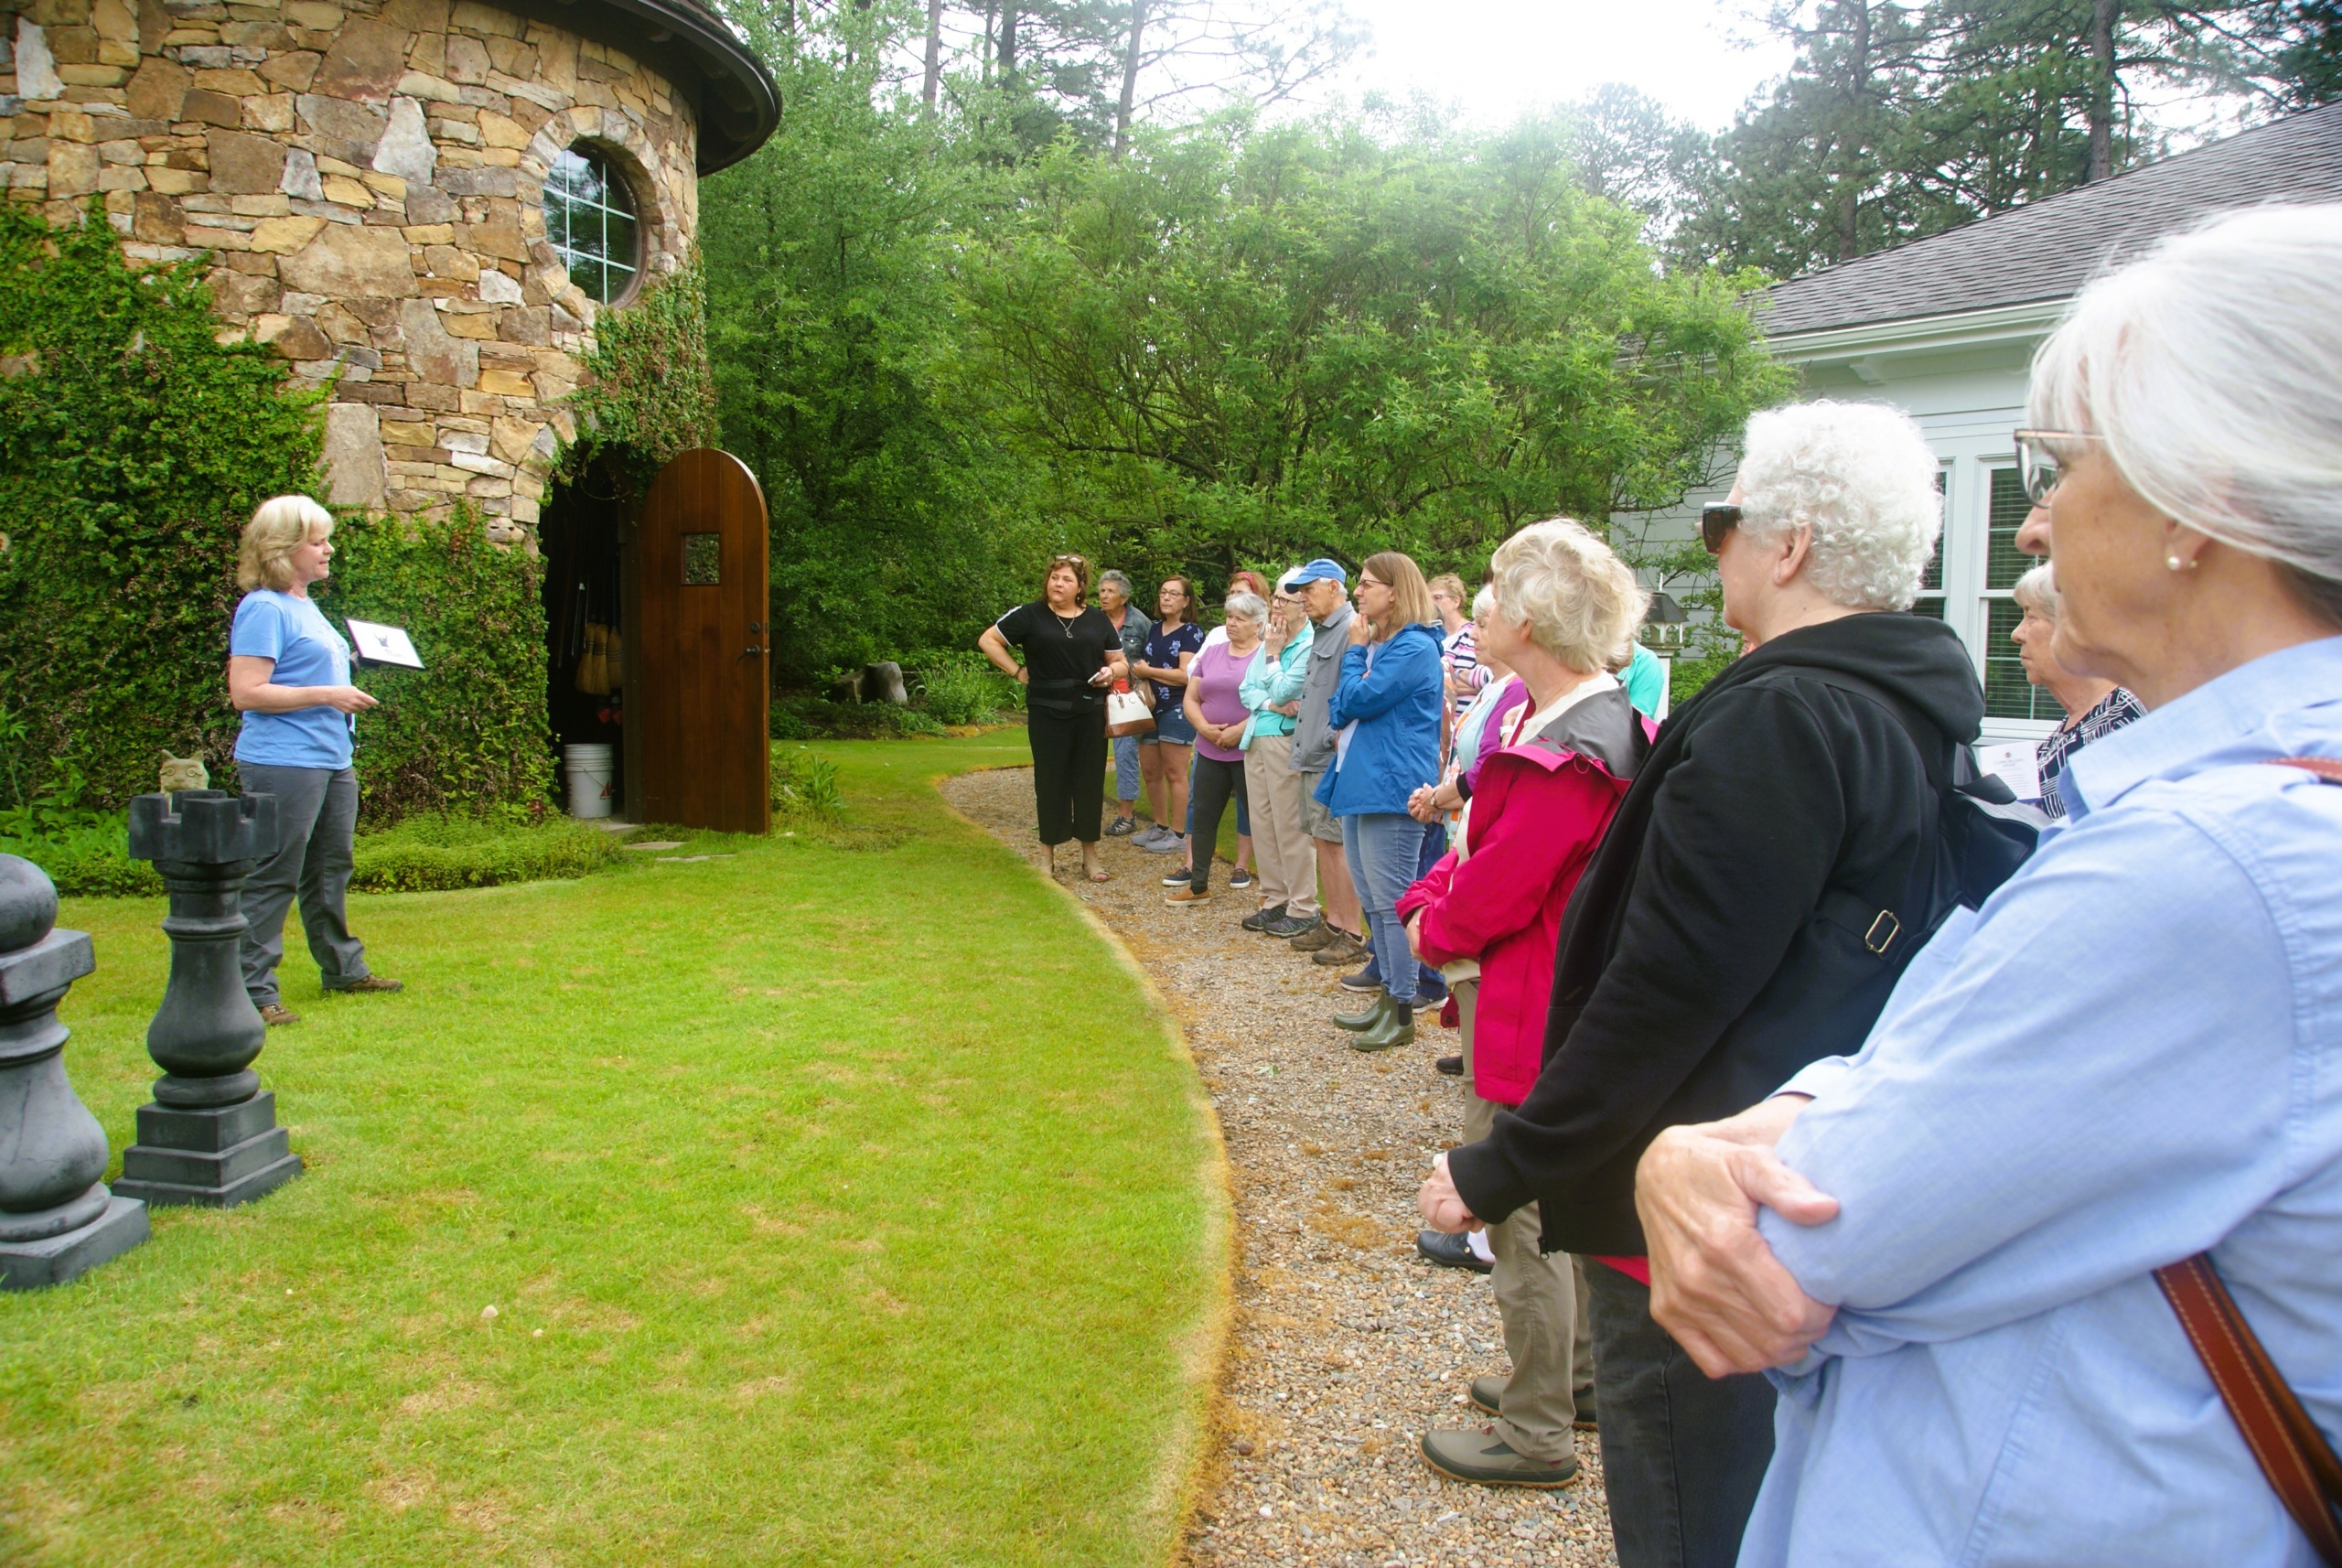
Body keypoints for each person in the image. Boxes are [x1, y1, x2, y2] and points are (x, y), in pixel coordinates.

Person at [1628, 204, 2342, 1568]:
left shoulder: (2216, 869)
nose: (2036, 518)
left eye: (2060, 465)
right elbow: (1964, 1102)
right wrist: (1828, 1108)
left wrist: (1678, 1149)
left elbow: (1803, 1251)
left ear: (2212, 500)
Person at [1417, 399, 1982, 1568]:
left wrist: (1499, 1162)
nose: (1714, 542)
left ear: (1790, 546)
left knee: (1690, 1515)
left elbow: (1669, 989)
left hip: (1692, 1217)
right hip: (1794, 1188)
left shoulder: (1783, 714)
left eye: (1725, 519)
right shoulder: (1901, 707)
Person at [1397, 520, 1652, 1488]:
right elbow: (1486, 865)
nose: (1483, 607)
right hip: (1553, 1006)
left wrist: (1429, 921)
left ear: (1535, 618)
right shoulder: (1585, 720)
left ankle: (1538, 1429)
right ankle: (1573, 1381)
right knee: (1561, 1207)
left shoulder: (1568, 747)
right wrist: (1442, 897)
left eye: (1499, 591)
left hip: (1532, 1017)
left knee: (1520, 1219)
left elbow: (1495, 889)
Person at [226, 494, 402, 1026]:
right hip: (284, 762)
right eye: (318, 541)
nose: (329, 550)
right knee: (274, 873)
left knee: (330, 869)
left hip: (331, 758)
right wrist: (329, 694)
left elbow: (303, 670)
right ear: (283, 549)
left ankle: (344, 969)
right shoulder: (262, 606)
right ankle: (253, 990)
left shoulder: (304, 604)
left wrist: (353, 662)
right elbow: (247, 692)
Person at [1316, 552, 1445, 1050]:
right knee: (1374, 899)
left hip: (1390, 786)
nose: (1358, 593)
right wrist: (1357, 668)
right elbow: (1342, 705)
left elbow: (1354, 703)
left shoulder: (1411, 648)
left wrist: (1352, 656)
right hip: (1362, 779)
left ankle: (1404, 1008)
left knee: (1393, 904)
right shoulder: (1384, 644)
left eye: (1368, 585)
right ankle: (1390, 999)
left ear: (1395, 591)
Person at [977, 553, 1129, 882]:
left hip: (1089, 709)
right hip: (1047, 711)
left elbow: (1121, 662)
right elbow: (988, 640)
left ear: (1080, 587)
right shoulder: (1030, 615)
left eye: (1066, 580)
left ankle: (1090, 858)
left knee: (1089, 782)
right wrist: (1016, 671)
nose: (1058, 584)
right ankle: (1047, 857)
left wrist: (1109, 671)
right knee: (1050, 782)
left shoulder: (1097, 620)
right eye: (1054, 577)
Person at [2009, 561, 2144, 818]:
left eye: (2031, 616)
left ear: (2075, 628)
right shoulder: (2078, 718)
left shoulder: (2123, 717)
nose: (2017, 633)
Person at [1286, 561, 1370, 965]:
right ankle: (1334, 922)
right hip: (1313, 751)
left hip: (1330, 753)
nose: (1301, 597)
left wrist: (1332, 738)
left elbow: (1355, 690)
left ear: (1334, 587)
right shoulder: (1324, 630)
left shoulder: (1350, 630)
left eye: (1308, 589)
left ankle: (1352, 933)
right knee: (1322, 839)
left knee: (1337, 843)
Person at [1169, 592, 1269, 905]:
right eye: (1229, 617)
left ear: (1258, 625)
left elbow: (1273, 701)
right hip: (1210, 749)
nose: (1232, 623)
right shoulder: (1211, 652)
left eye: (1240, 618)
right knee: (1202, 816)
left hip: (1249, 750)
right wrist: (1204, 728)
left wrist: (1239, 731)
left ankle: (1274, 894)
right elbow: (1191, 697)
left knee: (1262, 820)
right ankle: (1198, 884)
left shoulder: (1267, 656)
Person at [1239, 575, 1318, 937]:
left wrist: (1272, 658)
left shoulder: (1307, 642)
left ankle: (1303, 905)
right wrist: (1272, 702)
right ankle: (1274, 899)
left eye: (1284, 600)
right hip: (1256, 737)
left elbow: (1290, 687)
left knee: (1290, 825)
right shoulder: (1270, 637)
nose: (1276, 605)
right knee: (1262, 823)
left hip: (1285, 741)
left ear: (1303, 602)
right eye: (1274, 598)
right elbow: (1247, 689)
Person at [1133, 576, 1205, 857]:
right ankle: (1160, 825)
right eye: (1163, 592)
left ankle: (1178, 833)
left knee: (1175, 772)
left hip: (1177, 707)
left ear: (1186, 601)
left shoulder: (1191, 633)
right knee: (1150, 770)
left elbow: (1186, 675)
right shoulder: (1153, 629)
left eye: (1174, 594)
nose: (1166, 598)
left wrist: (1148, 672)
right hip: (1150, 706)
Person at [1097, 569, 1154, 837]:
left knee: (1125, 755)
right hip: (1096, 697)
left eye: (1110, 591)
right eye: (1102, 590)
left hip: (1127, 699)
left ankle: (1126, 815)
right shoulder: (1094, 619)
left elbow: (1150, 658)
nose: (1104, 596)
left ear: (1124, 597)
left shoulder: (1140, 623)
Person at [1432, 572, 1488, 721]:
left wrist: (1447, 681)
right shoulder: (1431, 635)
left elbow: (1484, 681)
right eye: (1428, 598)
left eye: (1437, 598)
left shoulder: (1471, 634)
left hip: (1462, 720)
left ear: (1456, 601)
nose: (1431, 603)